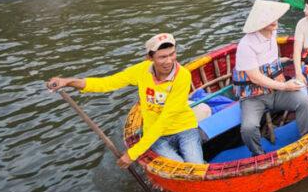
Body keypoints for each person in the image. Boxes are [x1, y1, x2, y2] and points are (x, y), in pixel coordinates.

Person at [46, 33, 203, 165]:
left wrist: (132, 154)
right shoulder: (141, 70)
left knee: (195, 167)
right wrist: (68, 81)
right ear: (149, 57)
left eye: (172, 54)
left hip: (184, 128)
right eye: (162, 57)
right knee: (178, 167)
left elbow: (165, 119)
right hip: (155, 135)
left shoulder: (182, 76)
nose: (169, 61)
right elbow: (107, 83)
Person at [233, 0, 308, 156]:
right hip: (254, 97)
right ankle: (258, 154)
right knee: (248, 128)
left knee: (302, 98)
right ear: (260, 24)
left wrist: (280, 62)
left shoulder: (272, 33)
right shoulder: (246, 45)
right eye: (270, 20)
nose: (275, 22)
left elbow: (267, 60)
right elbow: (255, 77)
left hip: (275, 91)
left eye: (275, 18)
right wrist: (285, 86)